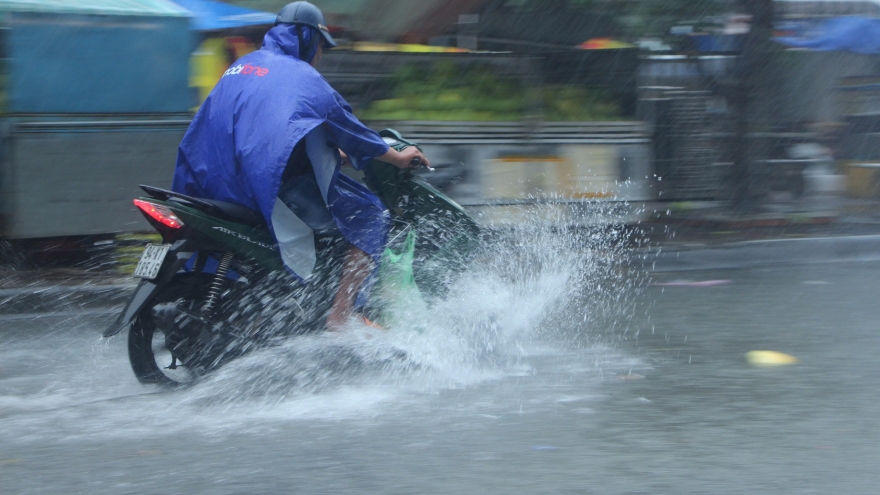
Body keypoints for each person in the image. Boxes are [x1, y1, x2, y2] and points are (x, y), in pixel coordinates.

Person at [171, 1, 429, 330]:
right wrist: (397, 156)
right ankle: (341, 315)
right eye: (320, 45)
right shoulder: (304, 78)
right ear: (305, 38)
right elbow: (349, 129)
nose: (319, 55)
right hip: (268, 184)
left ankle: (272, 311)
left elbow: (270, 135)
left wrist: (337, 157)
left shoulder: (244, 66)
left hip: (217, 180)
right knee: (369, 215)